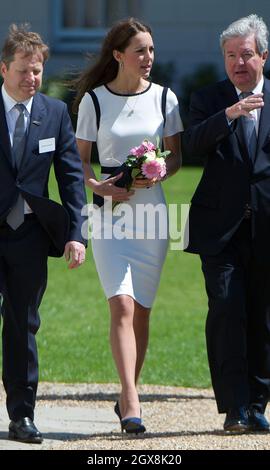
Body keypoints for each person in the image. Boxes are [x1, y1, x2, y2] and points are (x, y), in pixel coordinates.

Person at [74, 17, 182, 433]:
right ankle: (131, 400)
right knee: (119, 303)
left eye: (151, 50)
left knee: (141, 312)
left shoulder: (165, 98)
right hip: (108, 217)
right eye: (140, 50)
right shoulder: (94, 102)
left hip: (152, 216)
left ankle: (127, 393)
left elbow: (175, 156)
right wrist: (98, 186)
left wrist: (159, 172)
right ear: (118, 55)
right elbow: (79, 161)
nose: (148, 57)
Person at [183, 14, 270, 433]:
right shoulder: (208, 97)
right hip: (219, 230)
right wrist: (231, 113)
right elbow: (192, 143)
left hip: (266, 230)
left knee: (263, 317)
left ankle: (257, 403)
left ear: (264, 56)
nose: (238, 63)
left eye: (247, 54)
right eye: (230, 56)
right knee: (226, 309)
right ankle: (234, 406)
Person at [0, 24, 87, 443]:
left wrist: (76, 234)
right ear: (3, 68)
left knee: (22, 326)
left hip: (30, 235)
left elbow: (71, 178)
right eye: (23, 70)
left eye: (37, 70)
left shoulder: (53, 113)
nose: (31, 78)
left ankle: (22, 415)